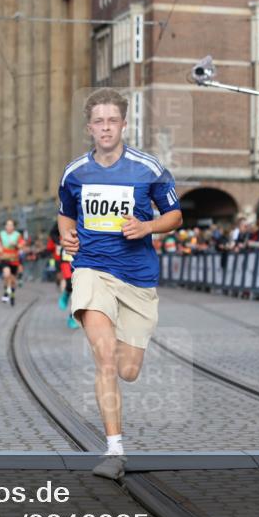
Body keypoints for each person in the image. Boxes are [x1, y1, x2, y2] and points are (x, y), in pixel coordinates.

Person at [57, 88, 182, 480]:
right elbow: (65, 212)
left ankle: (114, 443)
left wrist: (147, 226)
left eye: (112, 120)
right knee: (105, 358)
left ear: (124, 124)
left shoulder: (148, 169)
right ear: (89, 127)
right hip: (92, 270)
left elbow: (175, 215)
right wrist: (66, 234)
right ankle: (114, 450)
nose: (106, 128)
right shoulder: (75, 172)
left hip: (137, 278)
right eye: (99, 121)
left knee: (128, 369)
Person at [0, 219, 22, 306]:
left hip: (14, 259)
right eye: (8, 225)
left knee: (13, 281)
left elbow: (21, 245)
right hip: (5, 259)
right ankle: (6, 291)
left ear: (14, 226)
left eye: (11, 225)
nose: (9, 227)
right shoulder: (1, 234)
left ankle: (12, 295)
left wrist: (15, 245)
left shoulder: (17, 235)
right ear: (5, 226)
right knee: (6, 275)